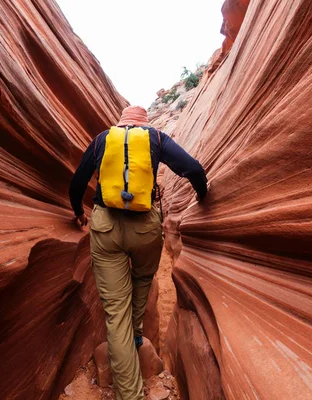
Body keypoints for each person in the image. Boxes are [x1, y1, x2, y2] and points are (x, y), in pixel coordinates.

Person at [69, 105, 208, 399]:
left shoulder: (103, 139)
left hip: (106, 226)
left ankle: (129, 393)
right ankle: (135, 335)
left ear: (121, 123)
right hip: (145, 227)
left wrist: (77, 212)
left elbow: (77, 183)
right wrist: (203, 195)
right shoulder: (156, 139)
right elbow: (193, 168)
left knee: (114, 313)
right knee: (143, 279)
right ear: (144, 122)